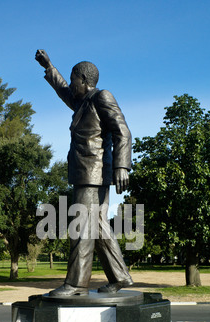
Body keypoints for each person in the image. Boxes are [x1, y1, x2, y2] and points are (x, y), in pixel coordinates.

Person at [35, 49, 133, 296]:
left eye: (73, 78)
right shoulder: (81, 102)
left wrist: (122, 166)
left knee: (81, 226)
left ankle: (76, 284)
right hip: (85, 173)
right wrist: (49, 67)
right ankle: (120, 276)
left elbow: (123, 131)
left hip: (94, 174)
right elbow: (62, 90)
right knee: (97, 226)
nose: (70, 83)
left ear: (84, 80)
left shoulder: (101, 96)